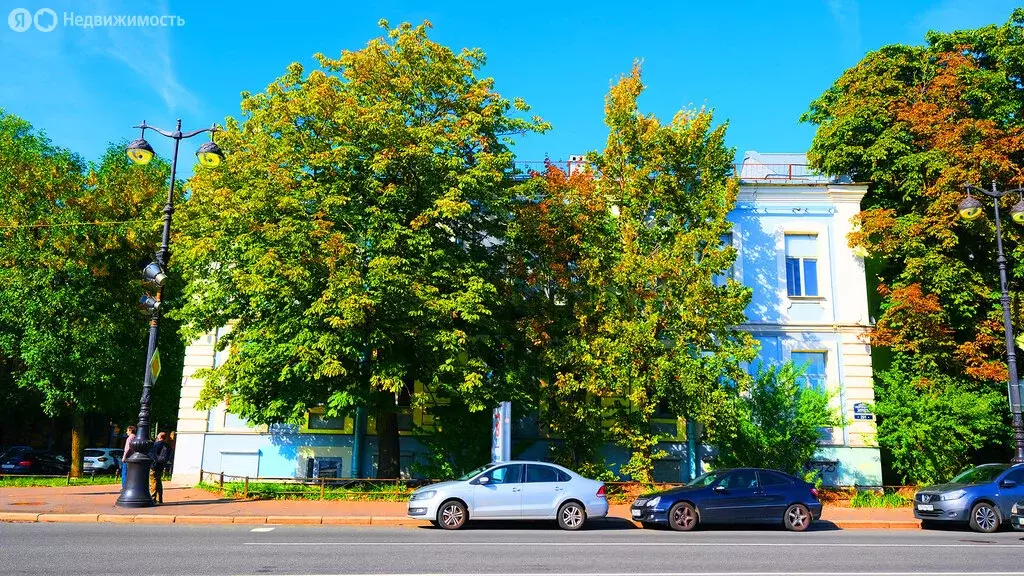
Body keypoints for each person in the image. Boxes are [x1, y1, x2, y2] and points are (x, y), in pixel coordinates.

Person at [149, 432, 171, 504]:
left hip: (154, 466)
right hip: (161, 465)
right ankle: (160, 498)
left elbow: (151, 454)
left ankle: (153, 498)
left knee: (153, 481)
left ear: (160, 437)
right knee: (158, 482)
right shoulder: (168, 446)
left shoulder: (155, 445)